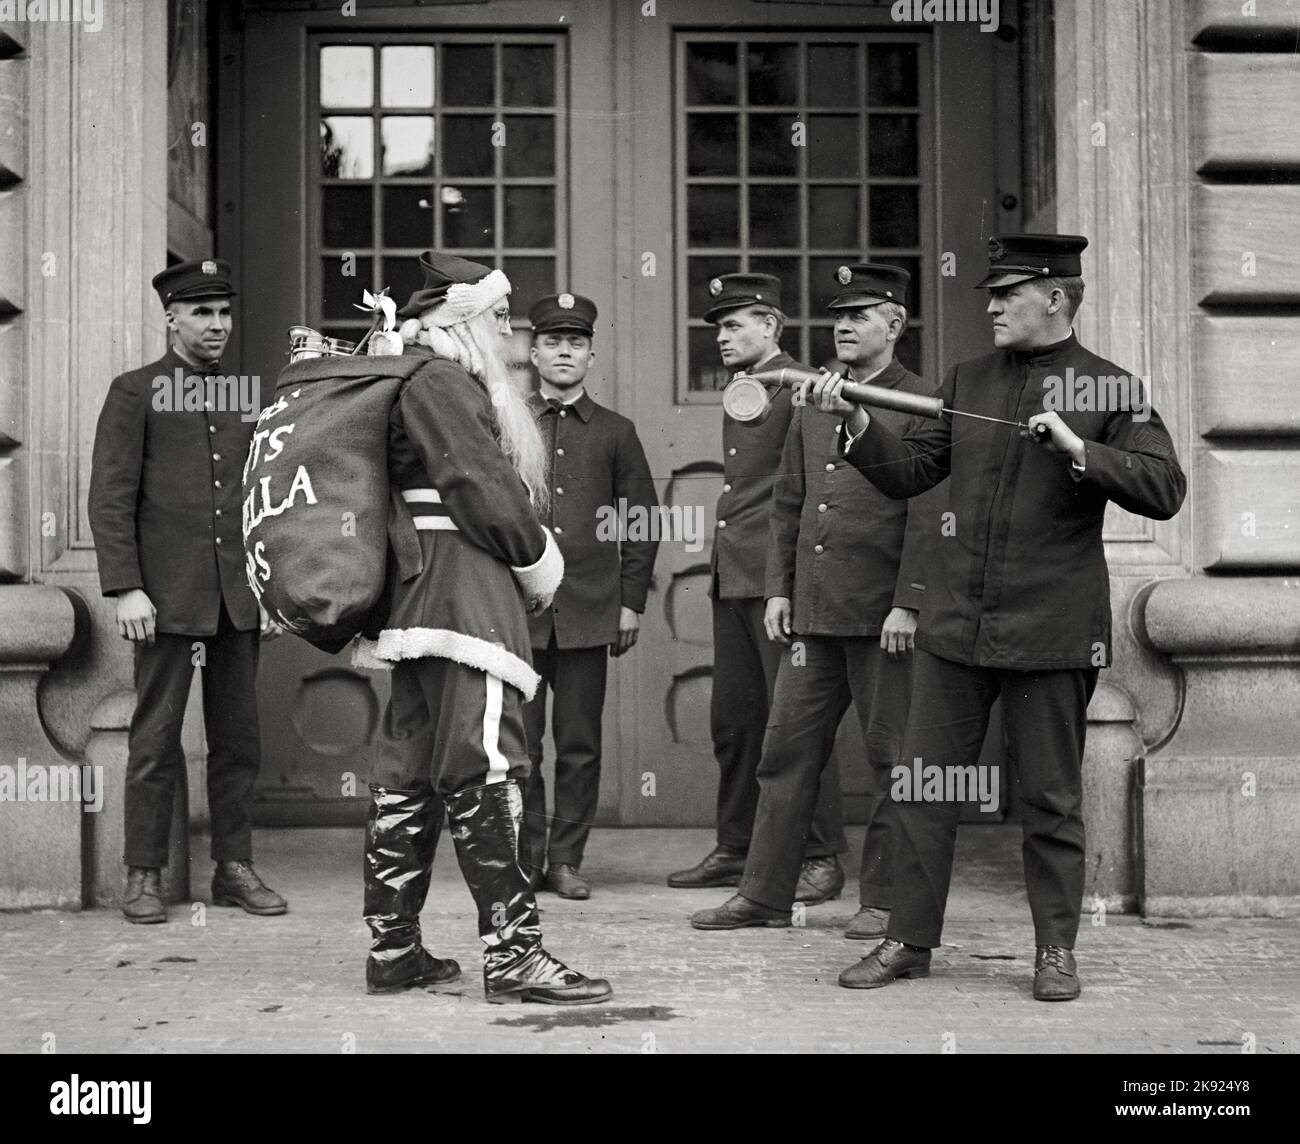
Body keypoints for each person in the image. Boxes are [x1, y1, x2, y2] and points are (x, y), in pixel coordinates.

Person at [809, 234, 1186, 1000]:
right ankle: (908, 941)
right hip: (955, 629)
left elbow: (1164, 487)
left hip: (1050, 632)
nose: (988, 306)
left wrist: (1083, 448)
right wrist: (852, 421)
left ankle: (1054, 952)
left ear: (1054, 297)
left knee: (1048, 798)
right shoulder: (969, 379)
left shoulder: (1112, 390)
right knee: (924, 787)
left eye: (1005, 294)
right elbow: (910, 473)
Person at [353, 252, 611, 1004]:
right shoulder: (442, 380)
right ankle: (515, 955)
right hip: (463, 599)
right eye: (499, 316)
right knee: (490, 766)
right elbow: (484, 488)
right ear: (461, 319)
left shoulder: (414, 376)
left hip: (419, 604)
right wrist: (539, 560)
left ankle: (395, 951)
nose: (512, 330)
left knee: (408, 778)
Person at [690, 264, 940, 936]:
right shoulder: (809, 397)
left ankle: (884, 901)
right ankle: (765, 895)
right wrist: (779, 589)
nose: (845, 325)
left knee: (893, 760)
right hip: (815, 613)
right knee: (785, 752)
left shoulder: (921, 398)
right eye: (839, 315)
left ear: (894, 324)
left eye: (861, 315)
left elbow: (927, 507)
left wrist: (909, 602)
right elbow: (790, 502)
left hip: (882, 614)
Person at [88, 257, 287, 925]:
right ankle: (143, 874)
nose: (216, 325)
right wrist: (126, 588)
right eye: (202, 312)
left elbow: (266, 497)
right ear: (170, 317)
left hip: (237, 597)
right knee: (155, 738)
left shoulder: (246, 394)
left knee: (238, 739)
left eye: (224, 312)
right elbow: (111, 498)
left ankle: (233, 868)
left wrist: (273, 588)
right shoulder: (134, 391)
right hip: (165, 600)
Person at [668, 273, 847, 904]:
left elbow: (806, 496)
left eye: (734, 324)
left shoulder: (802, 390)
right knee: (736, 722)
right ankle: (738, 846)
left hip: (778, 584)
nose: (721, 337)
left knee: (795, 724)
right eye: (718, 326)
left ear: (770, 326)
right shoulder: (748, 388)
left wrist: (788, 585)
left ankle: (821, 856)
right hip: (735, 577)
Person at [519, 292, 659, 900]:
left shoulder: (615, 433)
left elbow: (641, 521)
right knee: (519, 745)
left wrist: (630, 602)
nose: (564, 352)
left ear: (592, 356)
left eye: (575, 343)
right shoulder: (508, 423)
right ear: (533, 352)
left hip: (589, 611)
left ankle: (566, 860)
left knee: (579, 744)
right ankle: (525, 860)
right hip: (519, 613)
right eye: (553, 342)